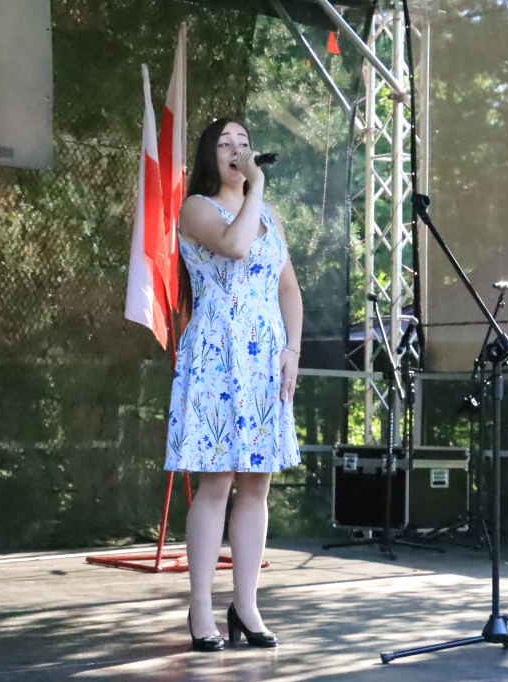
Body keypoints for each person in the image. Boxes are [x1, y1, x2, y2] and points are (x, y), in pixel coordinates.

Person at [165, 118, 302, 652]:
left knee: (256, 487)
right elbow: (237, 246)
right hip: (217, 358)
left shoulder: (271, 217)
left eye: (244, 143)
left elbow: (288, 288)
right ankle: (200, 607)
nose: (238, 150)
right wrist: (256, 188)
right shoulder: (198, 207)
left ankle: (246, 605)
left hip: (265, 364)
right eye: (225, 144)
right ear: (209, 156)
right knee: (216, 484)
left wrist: (292, 352)